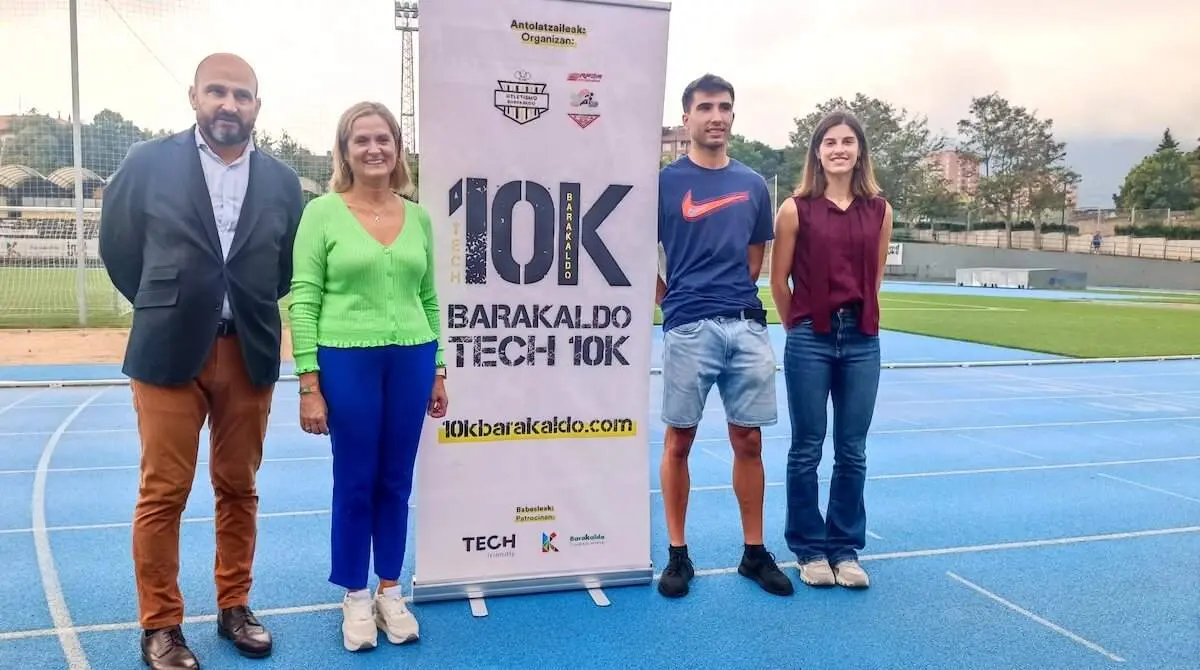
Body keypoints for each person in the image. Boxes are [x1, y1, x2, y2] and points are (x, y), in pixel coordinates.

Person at [98, 53, 304, 669]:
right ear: (194, 96)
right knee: (163, 491)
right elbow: (119, 247)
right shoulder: (148, 163)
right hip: (167, 351)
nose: (229, 106)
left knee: (238, 488)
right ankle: (160, 625)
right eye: (217, 92)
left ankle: (234, 604)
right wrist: (167, 304)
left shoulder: (284, 182)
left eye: (242, 96)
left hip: (249, 351)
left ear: (257, 107)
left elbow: (283, 268)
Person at [287, 101, 448, 652]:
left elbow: (429, 296)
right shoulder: (322, 214)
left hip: (411, 357)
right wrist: (309, 382)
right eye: (362, 140)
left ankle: (389, 589)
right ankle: (355, 594)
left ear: (398, 150)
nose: (374, 148)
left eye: (384, 139)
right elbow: (303, 301)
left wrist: (438, 369)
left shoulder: (419, 216)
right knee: (355, 480)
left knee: (396, 481)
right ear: (345, 151)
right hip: (345, 358)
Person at [654, 74, 793, 599]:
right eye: (706, 107)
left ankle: (754, 554)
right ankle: (677, 554)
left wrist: (732, 299)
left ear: (733, 116)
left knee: (749, 440)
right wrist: (668, 297)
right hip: (688, 325)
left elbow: (755, 257)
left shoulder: (754, 184)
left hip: (745, 325)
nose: (717, 115)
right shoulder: (666, 183)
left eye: (725, 107)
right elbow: (633, 247)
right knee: (680, 440)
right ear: (687, 117)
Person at [768, 110, 893, 590]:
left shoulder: (880, 211)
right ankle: (808, 547)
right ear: (817, 152)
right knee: (806, 448)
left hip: (862, 340)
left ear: (859, 150)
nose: (839, 149)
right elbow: (778, 281)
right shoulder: (795, 209)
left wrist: (856, 319)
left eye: (847, 141)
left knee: (852, 450)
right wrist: (798, 325)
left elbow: (874, 278)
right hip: (810, 338)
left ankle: (844, 548)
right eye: (829, 142)